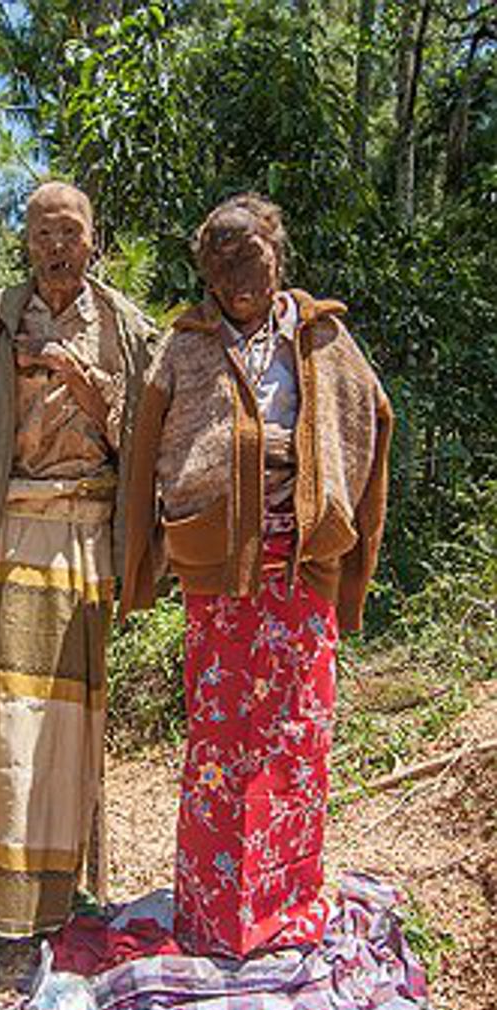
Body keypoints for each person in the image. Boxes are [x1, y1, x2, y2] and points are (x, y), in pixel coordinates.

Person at [120, 193, 391, 958]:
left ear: (279, 256)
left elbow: (372, 423)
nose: (237, 277)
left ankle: (288, 907)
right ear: (204, 269)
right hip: (219, 571)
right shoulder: (184, 347)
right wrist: (139, 568)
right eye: (221, 262)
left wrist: (350, 550)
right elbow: (145, 458)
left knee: (298, 739)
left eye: (251, 259)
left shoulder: (323, 338)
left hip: (303, 565)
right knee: (219, 742)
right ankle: (212, 914)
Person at [0, 181, 159, 938]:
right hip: (10, 534)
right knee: (3, 723)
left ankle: (69, 892)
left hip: (86, 538)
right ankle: (5, 900)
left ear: (93, 241)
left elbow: (148, 442)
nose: (57, 245)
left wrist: (91, 389)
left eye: (71, 232)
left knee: (72, 728)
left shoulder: (125, 328)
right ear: (27, 241)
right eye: (43, 232)